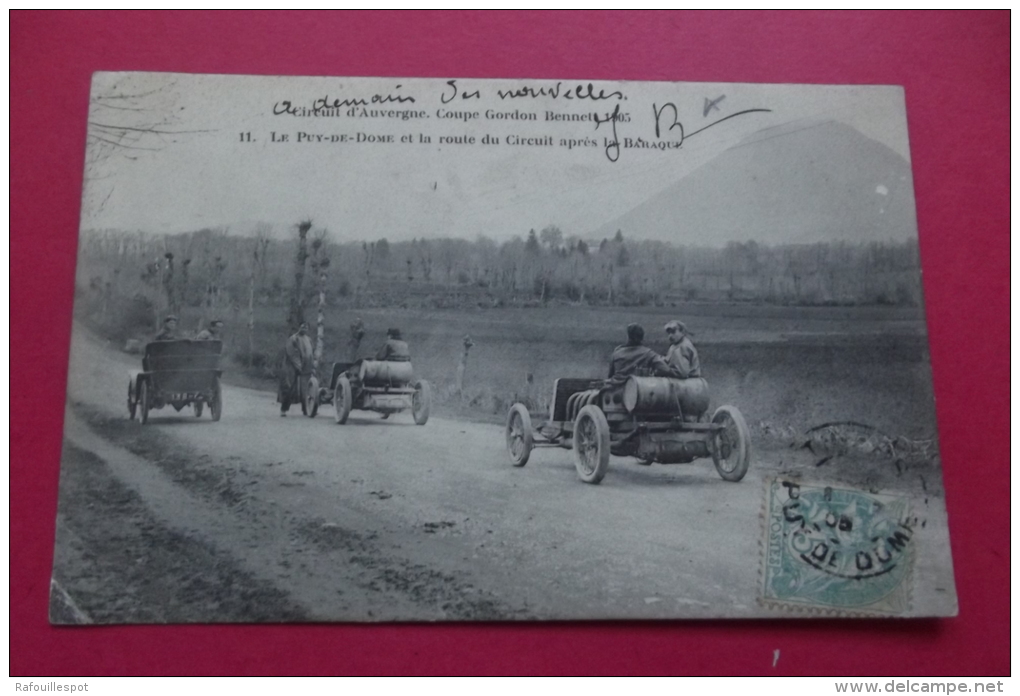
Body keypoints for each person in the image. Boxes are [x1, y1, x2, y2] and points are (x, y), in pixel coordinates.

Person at [608, 323, 680, 380]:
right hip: (635, 389)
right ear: (642, 338)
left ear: (628, 336)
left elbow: (610, 375)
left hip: (615, 388)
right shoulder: (648, 354)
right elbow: (666, 370)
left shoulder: (617, 351)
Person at [278, 322, 313, 416]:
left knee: (305, 389)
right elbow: (292, 354)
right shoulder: (293, 339)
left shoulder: (308, 339)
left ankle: (306, 410)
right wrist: (298, 365)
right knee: (289, 388)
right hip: (291, 367)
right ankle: (283, 409)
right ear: (299, 327)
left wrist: (311, 365)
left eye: (306, 327)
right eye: (302, 327)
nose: (304, 329)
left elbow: (310, 354)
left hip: (305, 367)